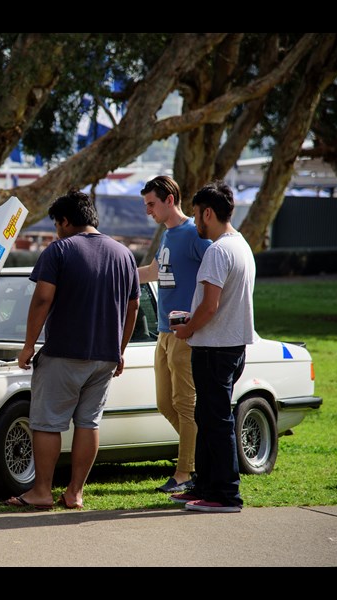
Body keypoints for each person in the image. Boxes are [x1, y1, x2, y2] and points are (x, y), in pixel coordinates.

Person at [5, 189, 139, 511]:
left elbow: (42, 299)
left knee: (47, 422)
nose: (56, 230)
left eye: (56, 223)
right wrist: (119, 349)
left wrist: (27, 347)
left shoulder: (59, 250)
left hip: (64, 352)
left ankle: (41, 491)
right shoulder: (124, 254)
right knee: (88, 423)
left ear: (65, 221)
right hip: (105, 356)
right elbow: (132, 307)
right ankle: (75, 493)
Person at [170, 180, 256, 513]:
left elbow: (210, 306)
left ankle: (226, 495)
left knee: (216, 420)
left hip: (214, 349)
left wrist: (187, 330)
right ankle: (204, 487)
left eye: (196, 215)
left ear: (208, 212)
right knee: (206, 417)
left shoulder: (218, 251)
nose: (194, 222)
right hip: (232, 346)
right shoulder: (241, 246)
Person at [137, 176, 212, 494]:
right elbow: (154, 271)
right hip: (163, 334)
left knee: (184, 405)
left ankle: (185, 472)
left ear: (170, 199)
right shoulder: (167, 236)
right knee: (164, 403)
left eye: (151, 204)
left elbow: (218, 274)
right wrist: (112, 273)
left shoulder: (194, 235)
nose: (148, 211)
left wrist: (196, 321)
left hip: (185, 334)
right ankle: (201, 456)